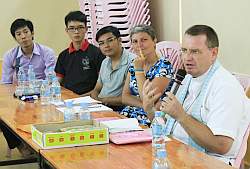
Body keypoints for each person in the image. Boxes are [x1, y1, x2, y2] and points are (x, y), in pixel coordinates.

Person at [143, 25, 249, 164]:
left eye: (195, 51)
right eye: (184, 50)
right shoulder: (187, 79)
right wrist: (149, 108)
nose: (187, 57)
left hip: (210, 162)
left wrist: (181, 116)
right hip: (176, 152)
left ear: (214, 53)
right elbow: (164, 125)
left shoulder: (225, 86)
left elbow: (222, 145)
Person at [120, 24, 174, 126]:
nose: (139, 45)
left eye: (144, 40)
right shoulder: (134, 63)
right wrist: (145, 105)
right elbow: (125, 97)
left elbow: (148, 97)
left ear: (154, 41)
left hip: (151, 118)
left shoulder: (164, 65)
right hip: (129, 115)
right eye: (135, 41)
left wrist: (139, 70)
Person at [55, 11, 105, 95]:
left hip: (90, 99)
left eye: (80, 27)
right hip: (68, 100)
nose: (76, 32)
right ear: (66, 30)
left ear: (86, 29)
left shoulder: (97, 53)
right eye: (72, 28)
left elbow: (102, 84)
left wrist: (80, 97)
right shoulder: (63, 56)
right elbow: (57, 83)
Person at [90, 26, 135, 111]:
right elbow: (96, 89)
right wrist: (96, 100)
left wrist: (103, 101)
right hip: (100, 106)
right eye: (101, 43)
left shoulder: (132, 62)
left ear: (119, 40)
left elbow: (131, 97)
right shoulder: (105, 62)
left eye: (110, 40)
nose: (106, 46)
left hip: (119, 109)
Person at [1, 18, 56, 84]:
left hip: (43, 91)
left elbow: (51, 79)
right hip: (19, 91)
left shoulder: (47, 52)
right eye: (19, 34)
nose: (23, 36)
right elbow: (6, 82)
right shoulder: (9, 56)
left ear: (32, 33)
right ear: (15, 38)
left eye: (26, 32)